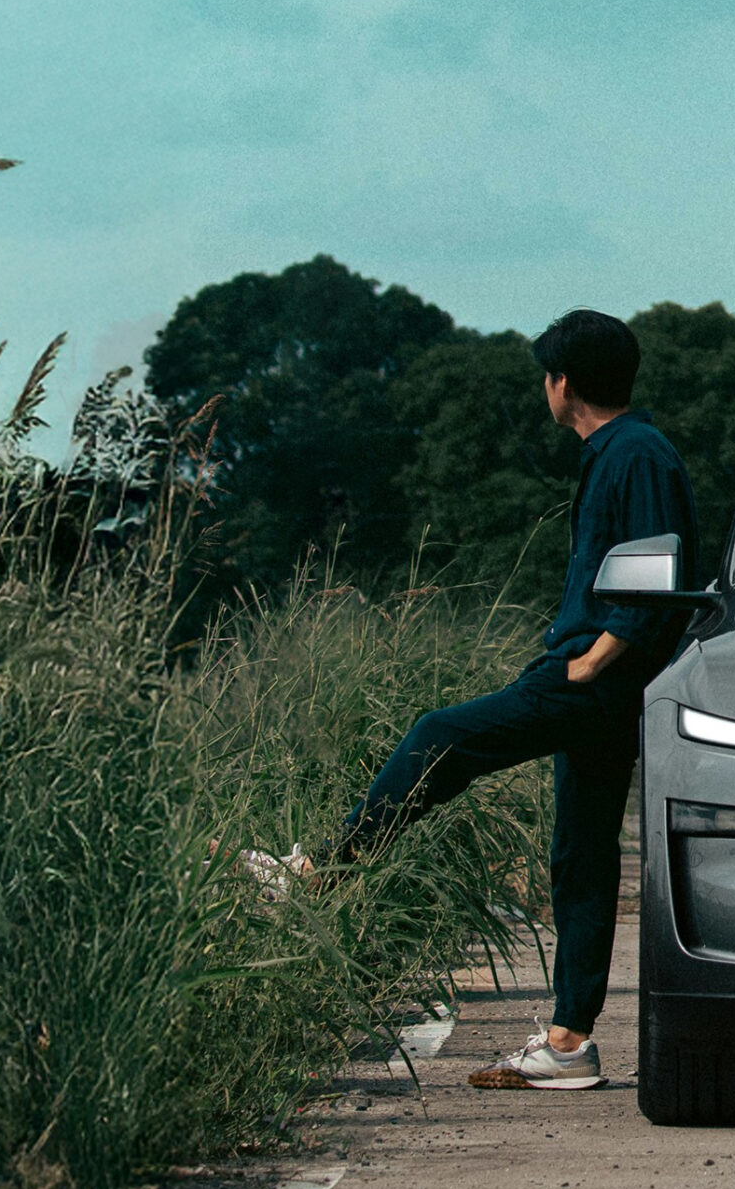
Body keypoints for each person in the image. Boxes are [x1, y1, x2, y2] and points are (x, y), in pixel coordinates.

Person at [264, 309, 696, 1089]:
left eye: (546, 376)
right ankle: (568, 1046)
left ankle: (325, 867)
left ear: (563, 383)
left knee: (444, 736)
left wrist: (593, 662)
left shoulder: (635, 453)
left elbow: (655, 569)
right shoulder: (622, 451)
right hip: (597, 678)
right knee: (581, 856)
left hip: (592, 681)